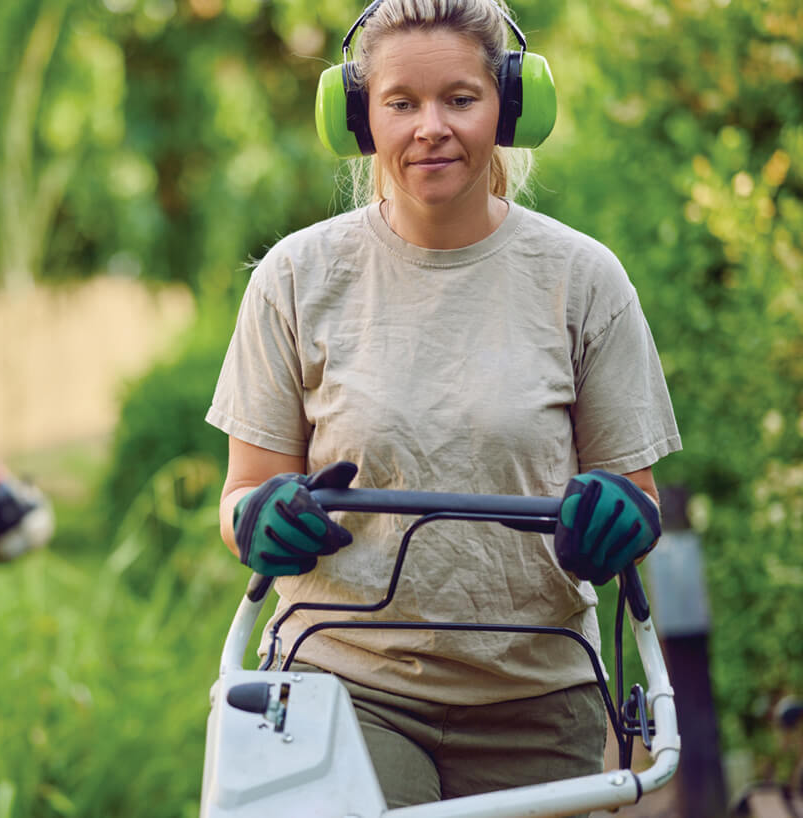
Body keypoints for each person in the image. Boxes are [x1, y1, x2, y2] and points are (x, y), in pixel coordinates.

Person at [205, 0, 681, 812]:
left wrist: (622, 518)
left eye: (460, 99)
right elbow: (242, 494)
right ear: (358, 117)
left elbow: (632, 493)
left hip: (535, 695)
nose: (431, 127)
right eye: (401, 102)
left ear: (511, 104)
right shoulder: (295, 279)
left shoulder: (583, 280)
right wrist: (260, 517)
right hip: (346, 679)